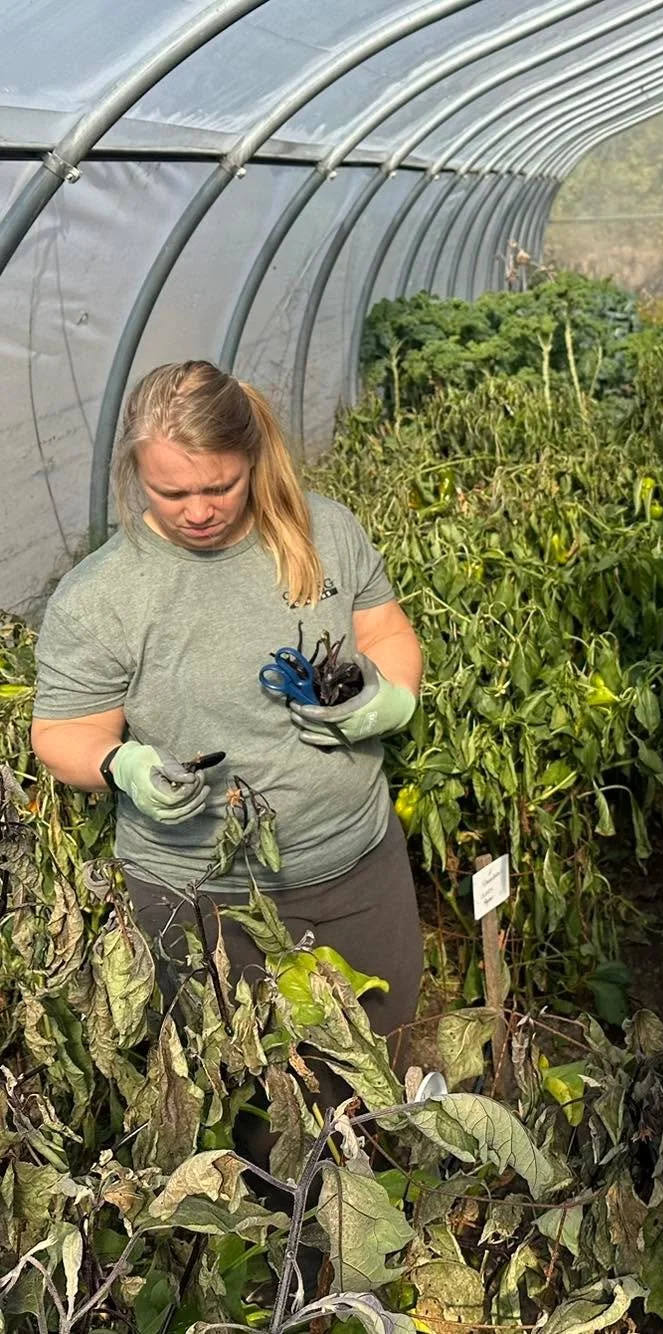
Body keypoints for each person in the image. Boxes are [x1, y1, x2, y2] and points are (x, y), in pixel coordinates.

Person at [31, 361, 424, 1063]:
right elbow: (62, 731)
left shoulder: (323, 532)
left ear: (250, 456)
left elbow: (386, 633)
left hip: (358, 869)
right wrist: (118, 763)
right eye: (171, 491)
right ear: (136, 475)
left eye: (220, 486)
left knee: (377, 1063)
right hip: (203, 901)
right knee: (253, 1096)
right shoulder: (102, 596)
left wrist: (390, 698)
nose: (199, 509)